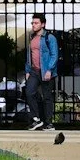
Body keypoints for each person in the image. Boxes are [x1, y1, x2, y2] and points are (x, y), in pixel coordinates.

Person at [23, 15, 63, 146]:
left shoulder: (49, 38)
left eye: (36, 23)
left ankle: (48, 123)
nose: (33, 25)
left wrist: (49, 70)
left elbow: (54, 54)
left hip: (46, 71)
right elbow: (29, 56)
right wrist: (28, 70)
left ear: (43, 24)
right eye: (32, 23)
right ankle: (36, 118)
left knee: (47, 97)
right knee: (29, 92)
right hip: (34, 71)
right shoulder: (32, 38)